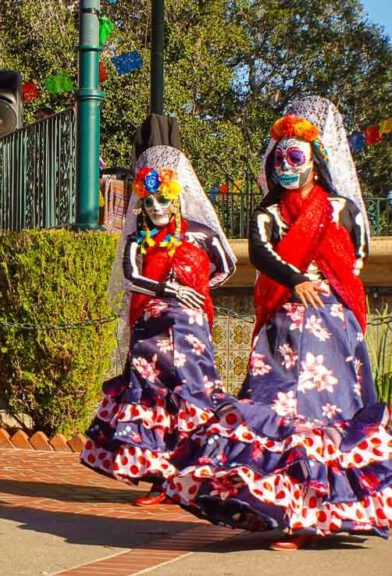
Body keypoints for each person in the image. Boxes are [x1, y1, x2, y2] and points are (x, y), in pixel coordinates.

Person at [164, 97, 392, 550]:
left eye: (295, 157)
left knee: (330, 414)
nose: (287, 165)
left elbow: (359, 253)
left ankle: (319, 516)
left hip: (334, 330)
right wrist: (295, 280)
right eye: (280, 158)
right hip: (283, 329)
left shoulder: (342, 207)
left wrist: (329, 283)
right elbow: (261, 253)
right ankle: (288, 511)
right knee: (280, 410)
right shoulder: (267, 213)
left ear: (313, 160)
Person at [80, 146, 236, 505]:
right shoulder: (138, 237)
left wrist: (195, 292)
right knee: (152, 398)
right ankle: (160, 480)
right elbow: (132, 276)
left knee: (194, 393)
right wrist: (170, 289)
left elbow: (225, 266)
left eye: (162, 200)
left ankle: (199, 476)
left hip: (190, 329)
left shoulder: (201, 234)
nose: (155, 209)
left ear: (175, 198)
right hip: (150, 330)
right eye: (148, 202)